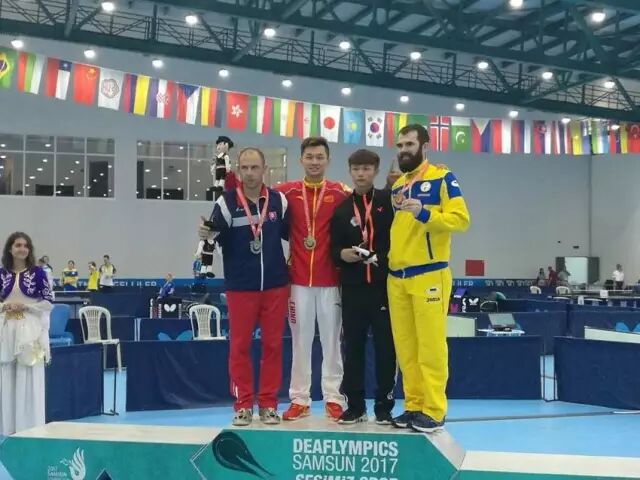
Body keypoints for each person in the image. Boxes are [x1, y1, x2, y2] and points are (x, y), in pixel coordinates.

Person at [387, 124, 470, 433]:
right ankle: (413, 405)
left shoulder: (443, 177)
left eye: (409, 144)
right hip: (397, 277)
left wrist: (425, 213)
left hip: (429, 273)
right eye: (400, 145)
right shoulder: (399, 185)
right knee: (406, 349)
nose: (403, 150)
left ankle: (434, 410)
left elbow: (461, 220)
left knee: (431, 347)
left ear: (425, 147)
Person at [199, 147, 289, 427]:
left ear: (265, 170)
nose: (250, 173)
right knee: (239, 347)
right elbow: (212, 235)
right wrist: (206, 233)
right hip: (240, 288)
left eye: (255, 167)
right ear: (238, 170)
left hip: (275, 286)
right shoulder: (227, 202)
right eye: (245, 168)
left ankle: (269, 404)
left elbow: (294, 236)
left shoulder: (278, 201)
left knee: (273, 346)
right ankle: (243, 405)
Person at [274, 136, 351, 422]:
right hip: (297, 281)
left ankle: (334, 397)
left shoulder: (341, 192)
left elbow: (366, 205)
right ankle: (300, 399)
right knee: (300, 341)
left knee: (332, 343)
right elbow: (256, 200)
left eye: (320, 157)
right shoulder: (285, 192)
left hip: (331, 280)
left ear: (328, 160)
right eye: (310, 157)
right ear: (301, 160)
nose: (315, 162)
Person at [330, 149, 396, 425]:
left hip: (383, 287)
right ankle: (355, 406)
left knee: (386, 348)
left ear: (376, 171)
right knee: (353, 348)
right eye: (356, 169)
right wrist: (342, 254)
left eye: (366, 169)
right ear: (349, 171)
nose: (361, 174)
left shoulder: (388, 203)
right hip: (353, 288)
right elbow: (333, 249)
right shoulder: (342, 210)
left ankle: (384, 406)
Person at [0, 232, 53, 435]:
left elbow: (48, 302)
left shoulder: (38, 273)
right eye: (17, 245)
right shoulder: (2, 274)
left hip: (30, 330)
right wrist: (5, 307)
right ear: (10, 249)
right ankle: (7, 428)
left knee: (28, 373)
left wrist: (26, 306)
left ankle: (30, 428)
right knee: (6, 375)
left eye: (25, 245)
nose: (22, 249)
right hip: (6, 330)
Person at [211, 135, 234, 200]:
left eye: (220, 144)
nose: (218, 147)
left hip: (223, 170)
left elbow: (227, 164)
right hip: (218, 170)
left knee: (222, 178)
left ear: (226, 145)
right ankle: (215, 186)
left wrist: (228, 170)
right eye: (218, 145)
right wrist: (213, 169)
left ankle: (220, 186)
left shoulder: (225, 156)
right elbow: (215, 164)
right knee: (217, 178)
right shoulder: (217, 156)